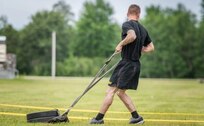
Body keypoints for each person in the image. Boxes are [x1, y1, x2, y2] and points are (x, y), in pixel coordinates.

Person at [90, 4, 154, 124]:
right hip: (135, 64)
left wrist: (121, 44)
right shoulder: (143, 29)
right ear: (139, 15)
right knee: (120, 92)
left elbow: (132, 36)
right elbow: (151, 47)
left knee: (110, 91)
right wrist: (141, 49)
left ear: (127, 13)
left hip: (127, 63)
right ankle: (136, 117)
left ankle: (98, 119)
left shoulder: (127, 24)